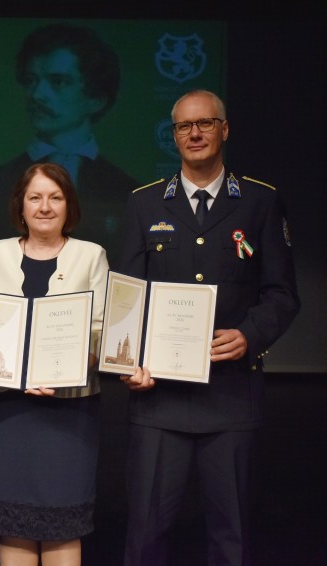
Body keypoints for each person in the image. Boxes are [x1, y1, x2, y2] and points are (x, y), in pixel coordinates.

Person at [118, 90, 300, 565]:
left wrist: (250, 334)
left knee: (231, 537)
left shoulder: (260, 201)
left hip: (231, 395)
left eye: (205, 123)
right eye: (184, 126)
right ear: (174, 135)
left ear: (224, 129)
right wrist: (126, 361)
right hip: (158, 399)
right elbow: (127, 298)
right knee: (145, 535)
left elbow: (282, 294)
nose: (194, 133)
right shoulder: (144, 203)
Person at [0, 162, 109, 565]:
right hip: (4, 411)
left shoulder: (92, 256)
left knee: (62, 525)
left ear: (69, 205)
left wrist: (61, 371)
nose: (45, 207)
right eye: (35, 197)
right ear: (21, 205)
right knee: (13, 524)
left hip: (67, 413)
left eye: (55, 197)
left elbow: (100, 331)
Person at [0, 23, 138, 284]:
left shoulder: (130, 194)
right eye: (32, 81)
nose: (37, 94)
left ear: (97, 97)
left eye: (58, 81)